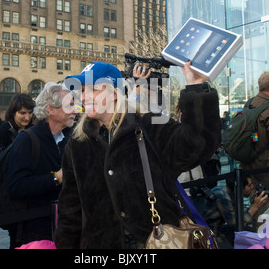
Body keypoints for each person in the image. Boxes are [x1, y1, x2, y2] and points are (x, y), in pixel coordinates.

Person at [54, 61, 221, 249]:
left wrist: (196, 87)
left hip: (155, 242)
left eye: (92, 89)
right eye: (81, 91)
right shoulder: (78, 144)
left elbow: (198, 145)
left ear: (115, 93)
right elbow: (70, 208)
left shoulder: (149, 127)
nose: (84, 97)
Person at [6, 82, 78, 248]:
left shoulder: (69, 140)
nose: (75, 110)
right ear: (50, 109)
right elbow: (16, 186)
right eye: (69, 105)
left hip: (64, 227)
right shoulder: (27, 140)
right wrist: (56, 177)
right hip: (35, 233)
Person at [203, 176, 269, 248]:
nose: (253, 187)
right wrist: (255, 206)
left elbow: (240, 217)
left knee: (251, 233)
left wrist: (254, 203)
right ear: (240, 188)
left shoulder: (234, 194)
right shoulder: (222, 195)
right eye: (249, 185)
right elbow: (236, 224)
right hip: (212, 233)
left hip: (222, 228)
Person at [0, 94, 35, 166]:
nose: (27, 117)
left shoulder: (33, 129)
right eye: (23, 113)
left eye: (30, 112)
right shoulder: (2, 131)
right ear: (13, 112)